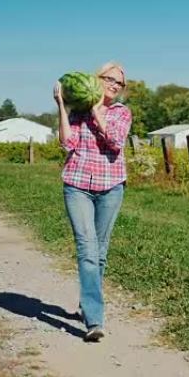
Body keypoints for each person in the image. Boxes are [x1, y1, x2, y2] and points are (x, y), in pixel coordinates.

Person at [53, 62, 132, 342]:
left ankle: (87, 304)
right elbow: (66, 144)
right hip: (77, 185)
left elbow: (116, 142)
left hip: (111, 187)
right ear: (97, 79)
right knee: (87, 249)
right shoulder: (78, 112)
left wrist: (99, 114)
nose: (113, 84)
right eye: (108, 79)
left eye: (119, 82)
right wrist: (62, 105)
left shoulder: (122, 113)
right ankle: (94, 321)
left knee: (99, 253)